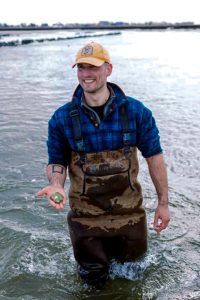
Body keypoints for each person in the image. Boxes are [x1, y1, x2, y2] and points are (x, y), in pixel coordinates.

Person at [37, 41, 170, 285]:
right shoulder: (61, 119)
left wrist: (163, 204)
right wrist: (56, 184)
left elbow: (155, 157)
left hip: (131, 218)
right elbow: (57, 161)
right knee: (92, 285)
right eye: (81, 68)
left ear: (108, 69)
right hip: (85, 223)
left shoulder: (137, 112)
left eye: (93, 67)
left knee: (134, 282)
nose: (86, 74)